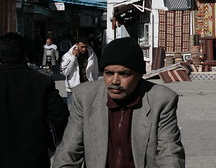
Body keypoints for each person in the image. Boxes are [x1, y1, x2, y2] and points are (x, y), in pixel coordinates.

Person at [53, 37, 185, 167]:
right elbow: (68, 153)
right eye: (109, 73)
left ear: (139, 75)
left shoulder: (161, 100)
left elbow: (170, 155)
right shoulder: (85, 97)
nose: (114, 81)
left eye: (124, 74)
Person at [0, 33, 69, 168]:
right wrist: (47, 141)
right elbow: (60, 116)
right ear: (24, 54)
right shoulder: (42, 81)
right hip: (33, 156)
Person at [60, 36, 99, 108]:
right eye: (82, 47)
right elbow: (64, 72)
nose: (84, 49)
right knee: (72, 115)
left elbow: (95, 72)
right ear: (77, 45)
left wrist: (94, 85)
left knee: (88, 114)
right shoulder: (67, 56)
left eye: (86, 47)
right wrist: (73, 57)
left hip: (88, 89)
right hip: (73, 90)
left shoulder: (92, 55)